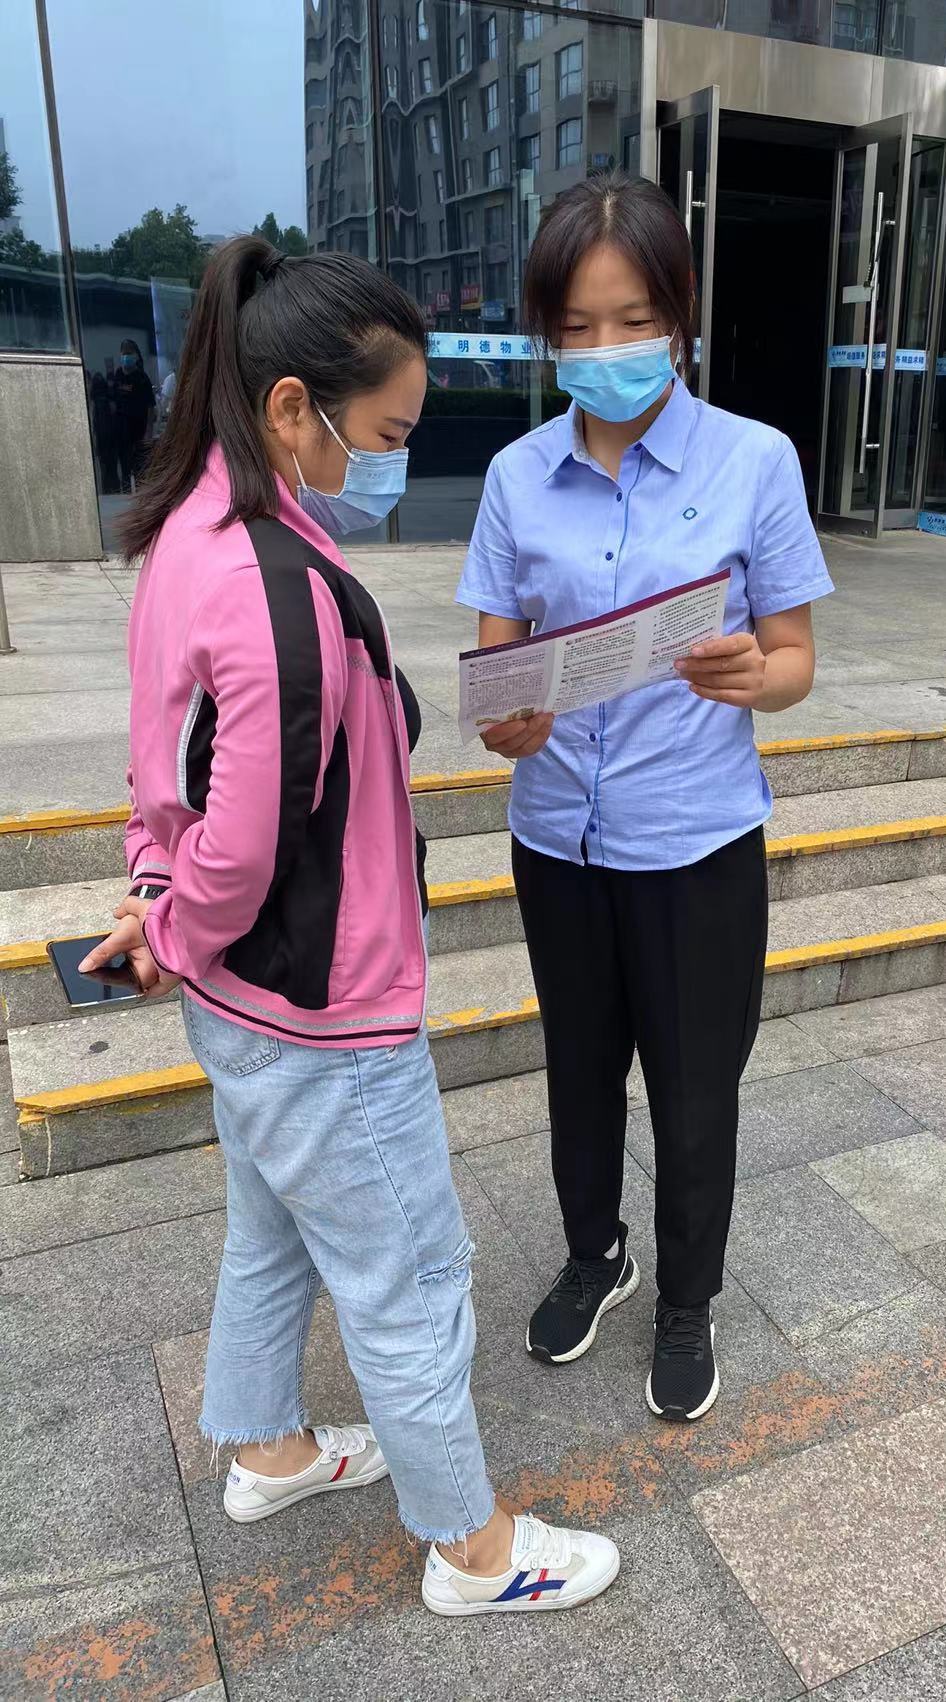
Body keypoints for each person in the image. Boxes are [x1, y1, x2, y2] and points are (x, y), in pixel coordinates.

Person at [82, 235, 619, 1618]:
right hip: (326, 1010)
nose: (392, 462)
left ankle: (268, 1449)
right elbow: (248, 841)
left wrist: (155, 896)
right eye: (381, 434)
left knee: (273, 1230)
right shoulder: (278, 589)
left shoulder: (187, 536)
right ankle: (474, 1548)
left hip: (248, 1005)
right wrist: (180, 922)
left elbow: (165, 771)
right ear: (290, 409)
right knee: (412, 1274)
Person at [456, 173, 834, 1422]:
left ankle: (687, 1296)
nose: (605, 347)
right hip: (557, 836)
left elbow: (794, 657)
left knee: (692, 1083)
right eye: (576, 325)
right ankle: (595, 1254)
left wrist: (756, 676)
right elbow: (498, 667)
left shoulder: (753, 460)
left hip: (695, 839)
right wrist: (508, 723)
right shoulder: (516, 477)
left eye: (631, 319)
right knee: (578, 1068)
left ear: (678, 314)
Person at [110, 338, 155, 492]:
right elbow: (113, 401)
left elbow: (150, 406)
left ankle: (141, 497)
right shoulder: (117, 375)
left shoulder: (142, 378)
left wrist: (148, 431)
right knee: (125, 468)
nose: (126, 357)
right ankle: (126, 494)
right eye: (124, 353)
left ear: (135, 356)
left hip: (139, 429)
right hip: (121, 430)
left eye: (129, 353)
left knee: (140, 468)